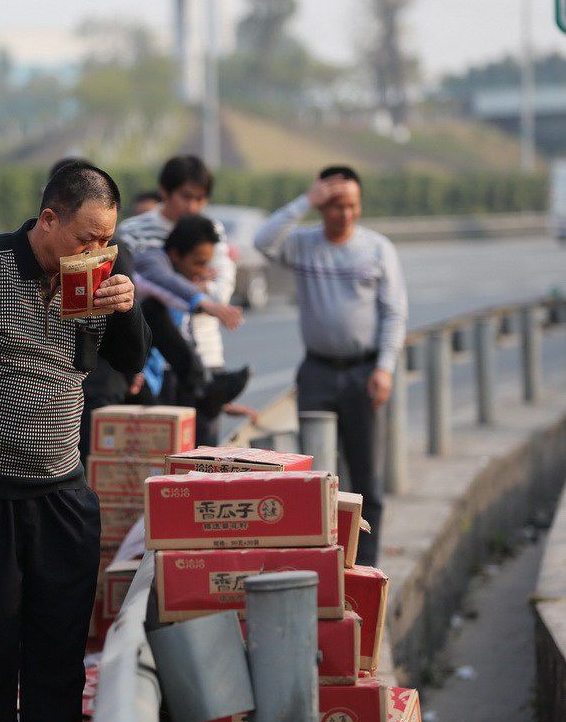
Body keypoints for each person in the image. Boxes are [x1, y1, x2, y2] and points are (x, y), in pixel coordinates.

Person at [0, 162, 151, 722]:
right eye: (84, 238)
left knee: (58, 659)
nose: (95, 250)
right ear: (48, 220)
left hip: (62, 496)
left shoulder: (102, 271)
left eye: (106, 239)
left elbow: (133, 359)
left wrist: (127, 305)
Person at [254, 166, 408, 566]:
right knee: (316, 479)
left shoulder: (377, 249)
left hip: (364, 372)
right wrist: (306, 200)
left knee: (366, 478)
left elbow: (394, 313)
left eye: (352, 205)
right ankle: (320, 562)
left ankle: (366, 566)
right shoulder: (303, 245)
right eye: (336, 205)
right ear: (323, 205)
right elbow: (262, 240)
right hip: (317, 371)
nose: (346, 214)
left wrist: (385, 368)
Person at [119, 155, 248, 444]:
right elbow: (140, 283)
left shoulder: (210, 230)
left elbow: (220, 291)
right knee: (163, 453)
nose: (193, 207)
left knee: (205, 455)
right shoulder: (134, 231)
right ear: (165, 192)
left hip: (205, 354)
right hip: (156, 360)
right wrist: (192, 286)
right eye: (186, 197)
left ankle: (204, 387)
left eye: (201, 199)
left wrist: (197, 291)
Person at [136, 215, 253, 425]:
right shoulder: (151, 262)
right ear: (175, 254)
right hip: (137, 375)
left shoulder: (185, 289)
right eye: (198, 263)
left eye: (206, 264)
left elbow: (184, 337)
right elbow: (167, 282)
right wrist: (204, 302)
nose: (202, 271)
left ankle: (204, 388)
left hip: (167, 378)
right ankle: (204, 388)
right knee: (154, 310)